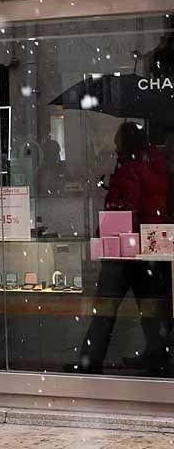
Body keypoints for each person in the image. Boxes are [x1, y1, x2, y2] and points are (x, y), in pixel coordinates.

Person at [74, 122, 172, 374]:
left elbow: (123, 210)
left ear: (124, 142)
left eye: (117, 139)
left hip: (125, 249)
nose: (114, 144)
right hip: (151, 245)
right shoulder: (157, 164)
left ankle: (90, 360)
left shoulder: (130, 168)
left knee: (105, 306)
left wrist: (101, 236)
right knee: (151, 306)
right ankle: (157, 355)